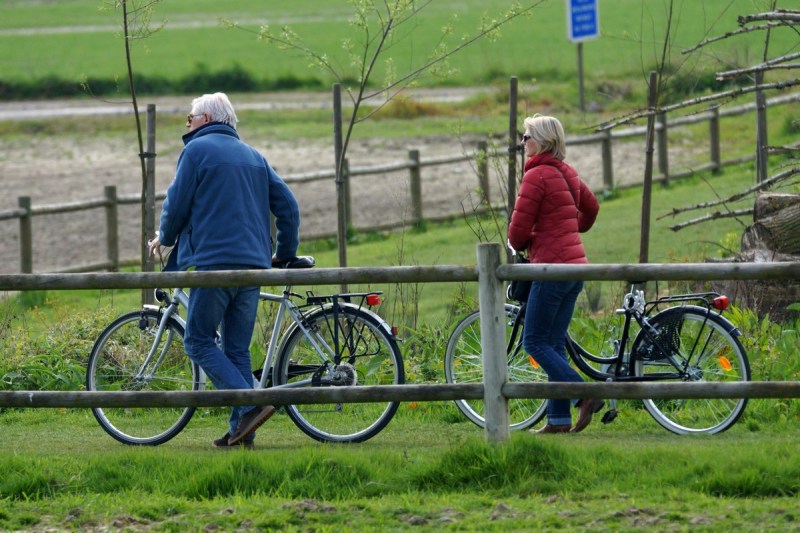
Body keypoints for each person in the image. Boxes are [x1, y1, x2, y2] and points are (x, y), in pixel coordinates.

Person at [148, 92, 300, 449]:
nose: (187, 124)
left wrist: (164, 238)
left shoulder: (196, 152)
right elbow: (289, 207)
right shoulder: (254, 156)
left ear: (205, 118)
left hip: (215, 265)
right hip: (254, 266)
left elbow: (176, 203)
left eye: (189, 118)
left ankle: (250, 404)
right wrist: (283, 254)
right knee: (236, 350)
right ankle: (241, 432)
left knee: (198, 340)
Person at [507, 114, 600, 434]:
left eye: (526, 136)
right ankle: (558, 421)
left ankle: (582, 392)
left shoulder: (536, 176)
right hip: (576, 268)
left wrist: (519, 242)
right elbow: (592, 208)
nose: (522, 142)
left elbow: (518, 232)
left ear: (542, 141)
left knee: (533, 342)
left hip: (550, 268)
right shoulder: (568, 172)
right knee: (554, 344)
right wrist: (572, 229)